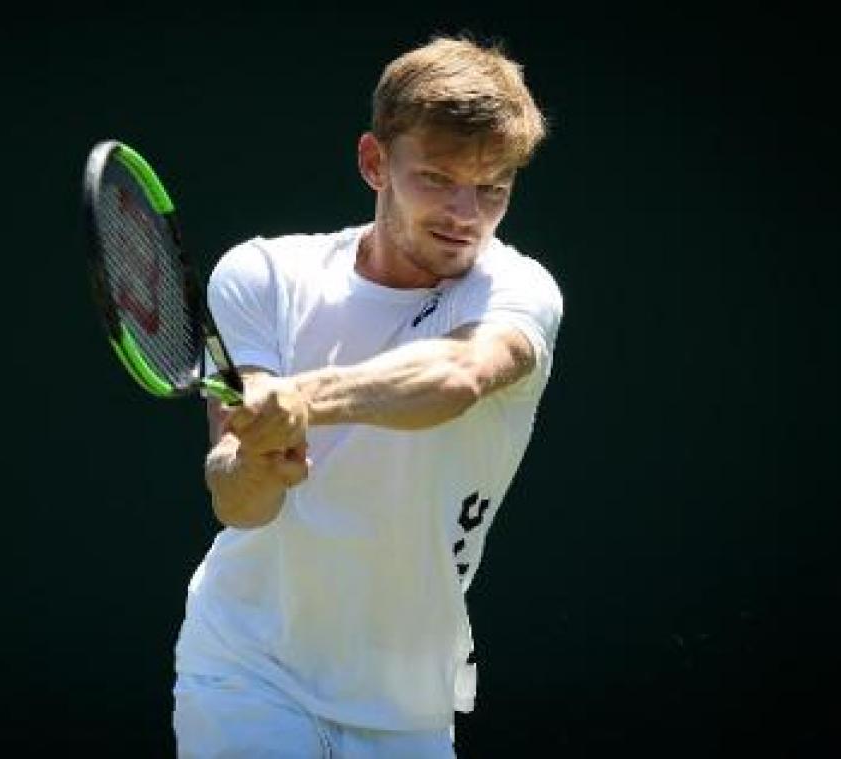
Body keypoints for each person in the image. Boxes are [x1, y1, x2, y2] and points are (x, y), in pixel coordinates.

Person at [172, 33, 562, 757]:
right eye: (438, 179)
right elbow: (239, 503)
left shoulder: (519, 290)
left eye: (493, 188)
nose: (465, 214)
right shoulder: (261, 275)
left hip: (409, 699)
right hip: (248, 664)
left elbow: (459, 376)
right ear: (374, 162)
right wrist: (258, 462)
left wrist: (304, 397)